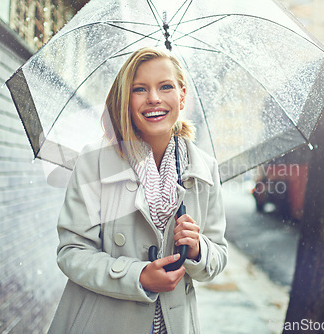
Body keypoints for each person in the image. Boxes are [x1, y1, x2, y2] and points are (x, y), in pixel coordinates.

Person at [48, 47, 228, 334]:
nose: (154, 98)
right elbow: (72, 252)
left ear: (182, 96)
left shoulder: (204, 169)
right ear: (126, 99)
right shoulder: (94, 161)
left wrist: (197, 249)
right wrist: (139, 276)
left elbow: (218, 254)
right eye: (140, 89)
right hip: (104, 322)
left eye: (165, 86)